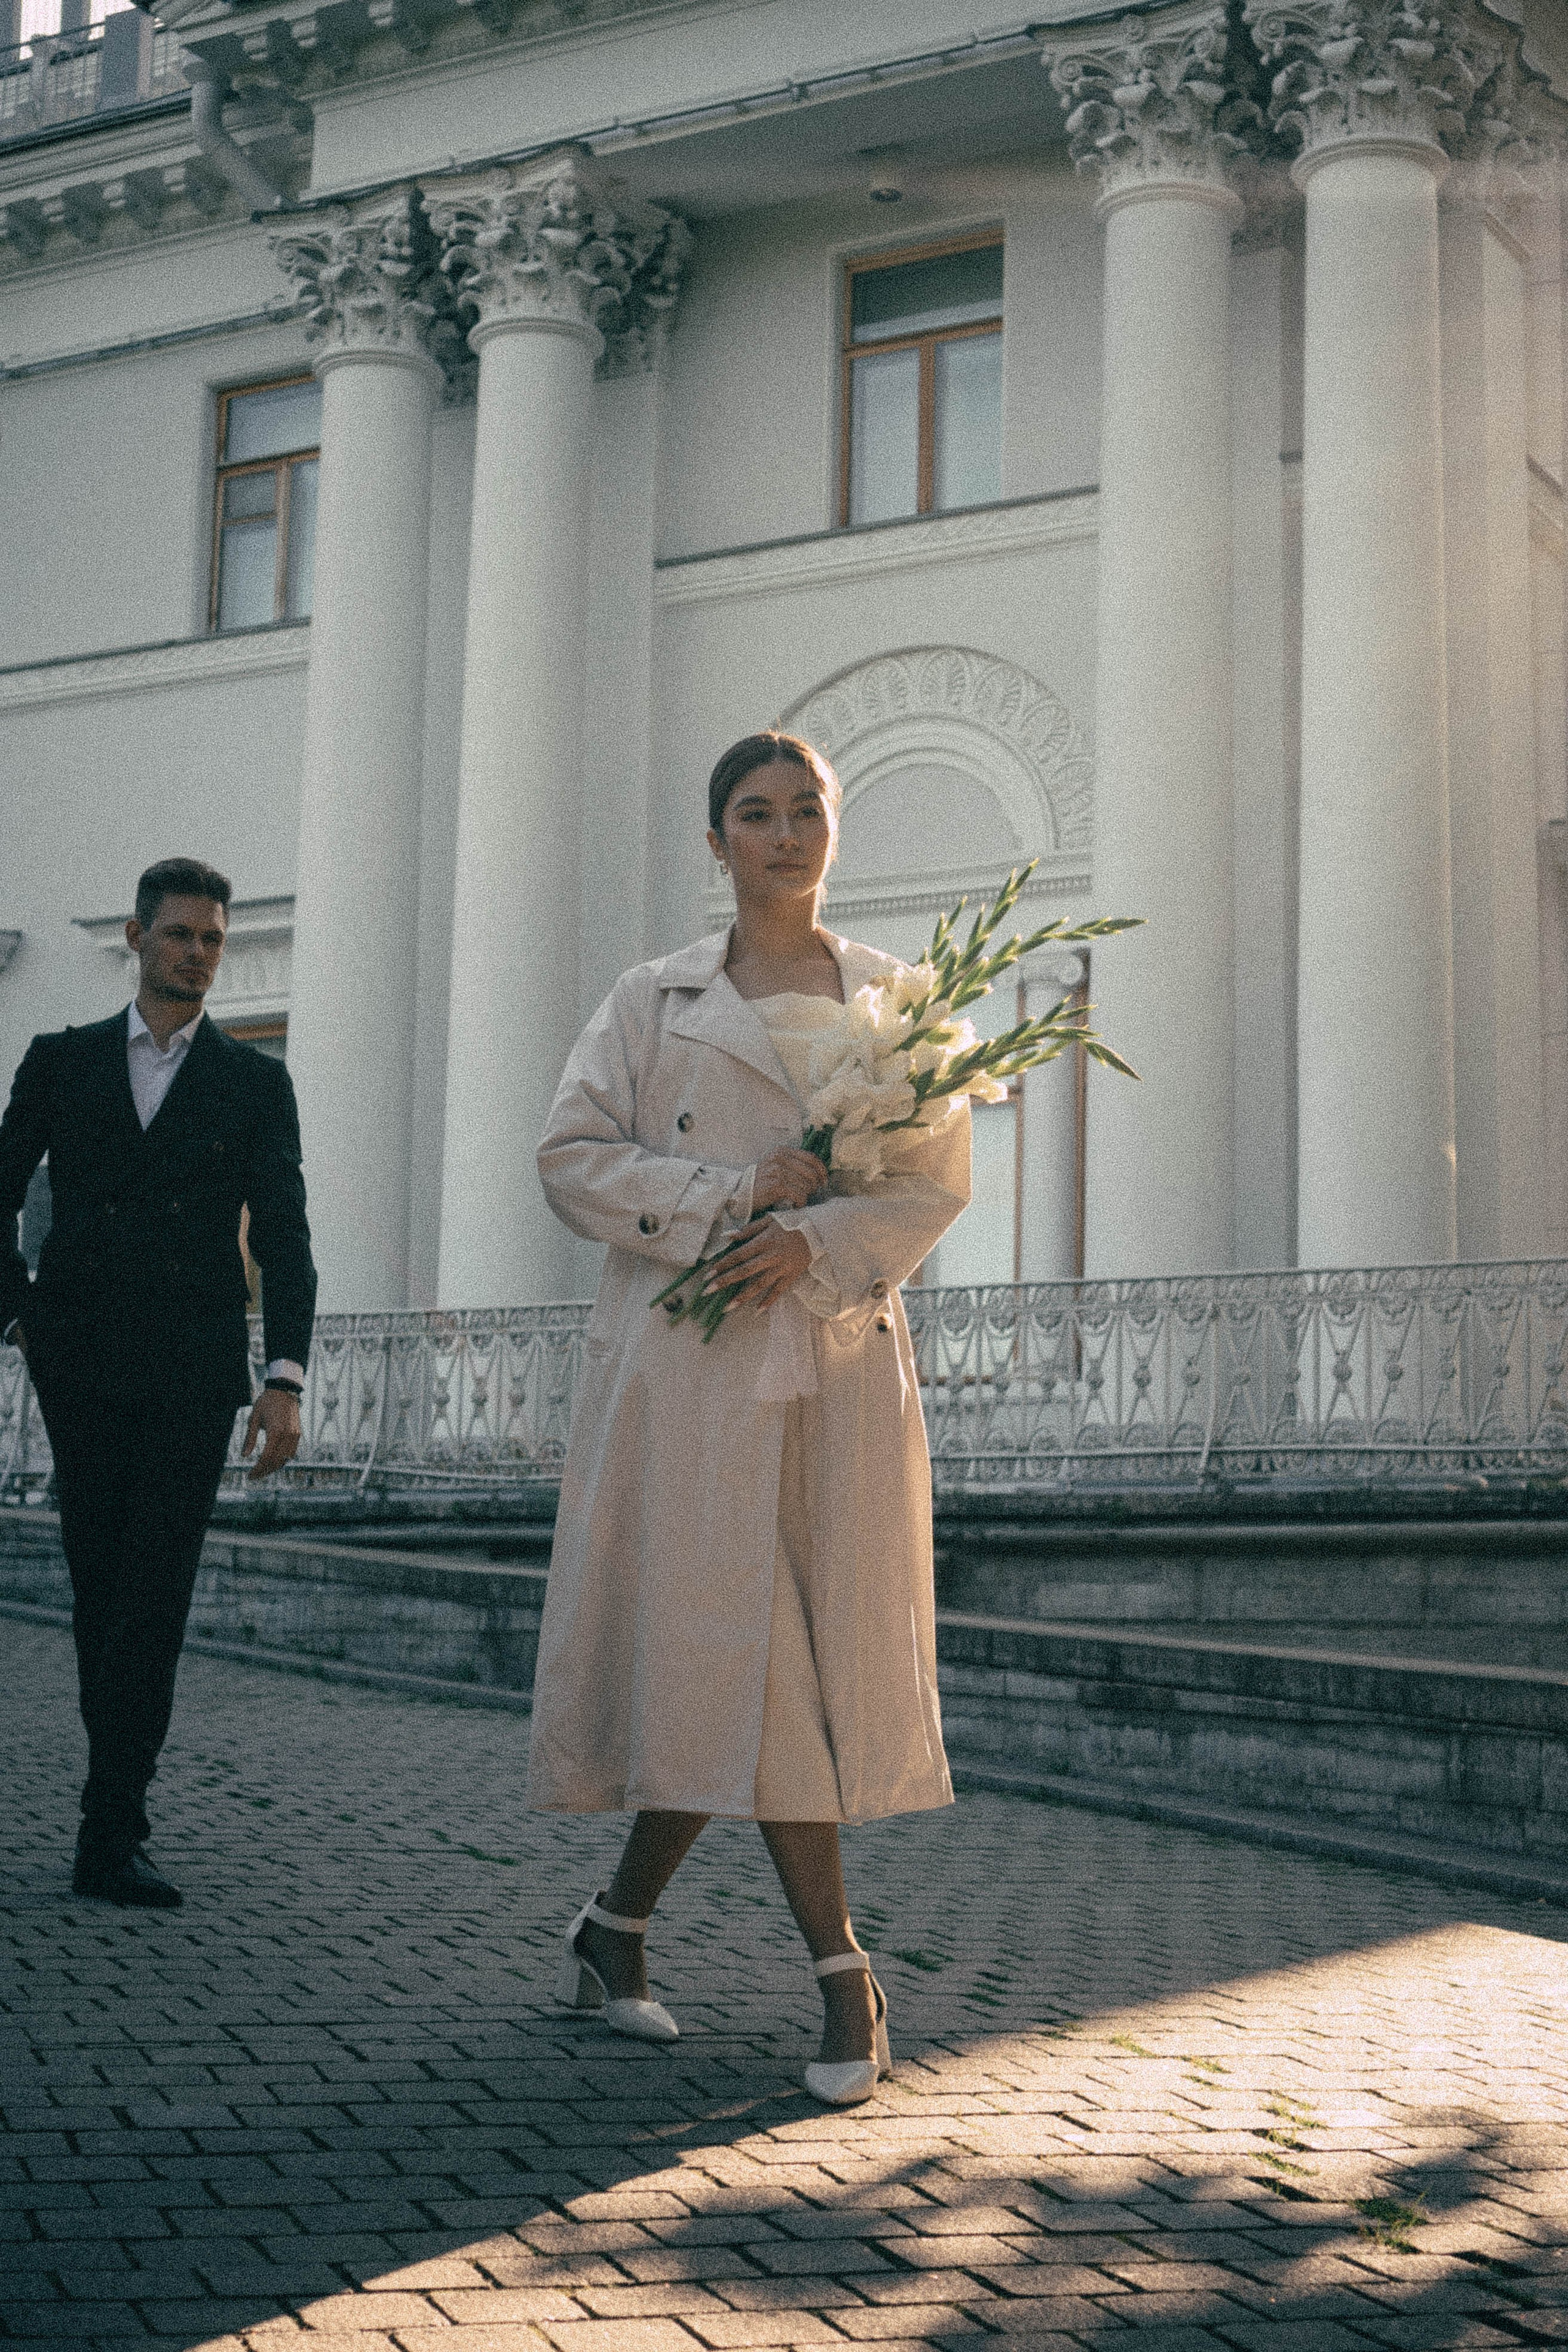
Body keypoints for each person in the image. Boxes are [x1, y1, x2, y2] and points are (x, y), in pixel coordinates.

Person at [530, 731, 970, 2105]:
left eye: (805, 812)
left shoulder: (899, 1000)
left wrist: (821, 1241)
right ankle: (843, 1976)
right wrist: (730, 1196)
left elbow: (932, 1183)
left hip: (833, 1364)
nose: (783, 835)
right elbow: (571, 1159)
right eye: (754, 814)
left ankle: (614, 1933)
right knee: (750, 1647)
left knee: (753, 1655)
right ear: (713, 841)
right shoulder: (649, 1001)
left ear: (831, 833)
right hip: (691, 1375)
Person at [0, 856, 317, 1908]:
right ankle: (111, 1808)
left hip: (192, 1369)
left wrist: (285, 1376)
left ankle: (112, 1824)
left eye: (214, 939)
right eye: (180, 934)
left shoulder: (254, 1081)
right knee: (102, 1587)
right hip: (80, 1360)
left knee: (155, 1593)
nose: (198, 954)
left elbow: (285, 1234)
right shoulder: (61, 1062)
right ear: (137, 939)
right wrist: (22, 1314)